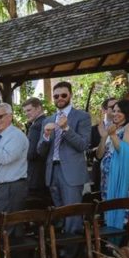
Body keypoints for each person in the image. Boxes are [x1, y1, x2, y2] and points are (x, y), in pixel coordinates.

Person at [37, 81, 92, 233]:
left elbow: (83, 145)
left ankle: (71, 253)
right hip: (52, 171)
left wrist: (66, 128)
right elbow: (40, 151)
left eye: (63, 95)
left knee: (72, 216)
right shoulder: (47, 120)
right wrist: (46, 135)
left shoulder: (82, 116)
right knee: (59, 215)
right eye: (56, 96)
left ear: (70, 95)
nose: (59, 98)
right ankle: (62, 250)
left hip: (71, 173)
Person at [97, 99, 129, 229]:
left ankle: (123, 245)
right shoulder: (112, 129)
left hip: (124, 177)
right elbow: (99, 155)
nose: (115, 113)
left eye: (119, 111)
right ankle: (112, 247)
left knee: (123, 216)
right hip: (108, 180)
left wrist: (114, 136)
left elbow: (125, 151)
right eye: (114, 110)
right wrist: (104, 136)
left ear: (127, 112)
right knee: (108, 212)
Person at [22, 97, 49, 201]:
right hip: (46, 176)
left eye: (29, 110)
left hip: (36, 178)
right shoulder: (47, 121)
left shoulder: (36, 126)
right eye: (25, 111)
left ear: (38, 108)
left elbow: (31, 154)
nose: (26, 113)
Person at [90, 97, 118, 191]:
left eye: (118, 106)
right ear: (104, 110)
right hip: (100, 171)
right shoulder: (94, 129)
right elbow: (87, 150)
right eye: (113, 106)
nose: (116, 109)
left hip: (119, 169)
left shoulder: (123, 126)